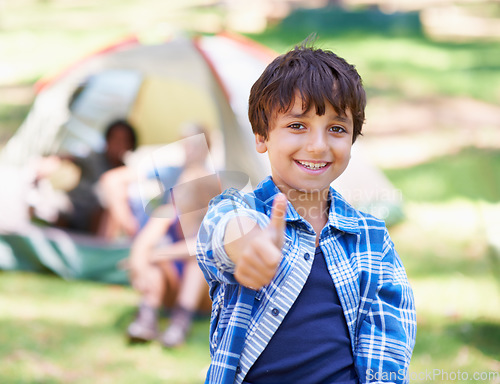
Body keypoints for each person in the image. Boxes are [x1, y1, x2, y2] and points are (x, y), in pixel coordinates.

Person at [196, 41, 417, 383]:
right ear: (261, 135)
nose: (318, 145)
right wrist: (249, 247)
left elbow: (388, 344)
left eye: (337, 128)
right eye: (297, 125)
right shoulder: (237, 209)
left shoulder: (372, 238)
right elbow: (222, 231)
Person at [123, 124, 221, 347]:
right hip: (169, 286)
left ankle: (180, 323)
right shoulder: (168, 213)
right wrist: (141, 265)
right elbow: (142, 245)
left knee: (197, 264)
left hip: (202, 294)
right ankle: (146, 317)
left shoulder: (213, 217)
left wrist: (157, 255)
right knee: (154, 267)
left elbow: (202, 247)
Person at [31, 119, 137, 233]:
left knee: (104, 207)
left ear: (130, 145)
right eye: (114, 139)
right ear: (107, 140)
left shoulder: (127, 172)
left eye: (123, 140)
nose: (118, 144)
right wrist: (49, 163)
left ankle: (96, 246)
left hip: (97, 222)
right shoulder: (93, 157)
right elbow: (69, 158)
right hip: (74, 208)